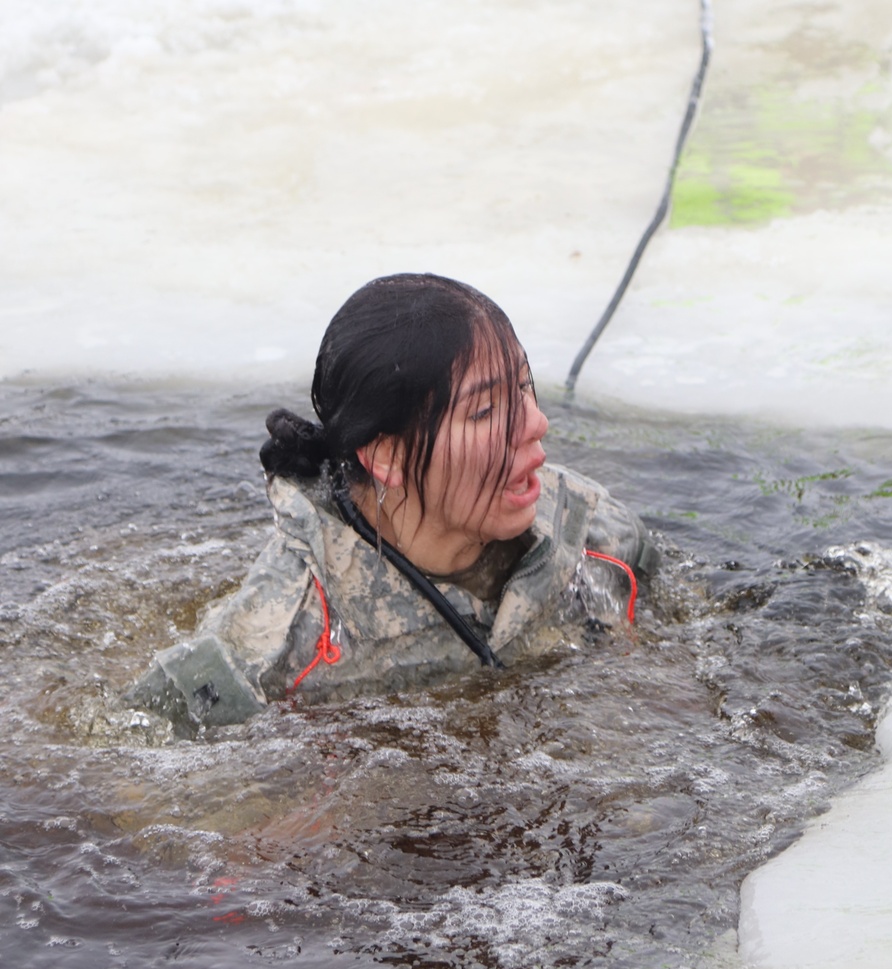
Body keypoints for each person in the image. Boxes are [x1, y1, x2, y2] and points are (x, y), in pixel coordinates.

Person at [129, 274, 657, 733]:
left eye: (525, 388)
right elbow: (130, 773)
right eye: (486, 411)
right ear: (387, 455)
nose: (535, 424)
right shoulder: (276, 646)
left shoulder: (596, 539)